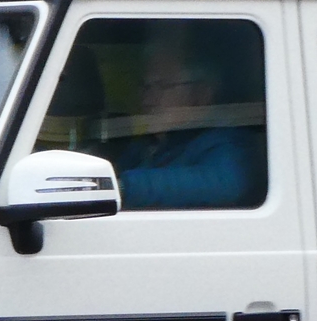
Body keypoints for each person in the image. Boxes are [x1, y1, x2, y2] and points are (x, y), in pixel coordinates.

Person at [109, 31, 263, 210]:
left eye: (161, 87)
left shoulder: (231, 142)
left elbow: (225, 183)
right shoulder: (148, 145)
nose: (147, 100)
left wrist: (123, 187)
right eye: (145, 87)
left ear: (200, 94)